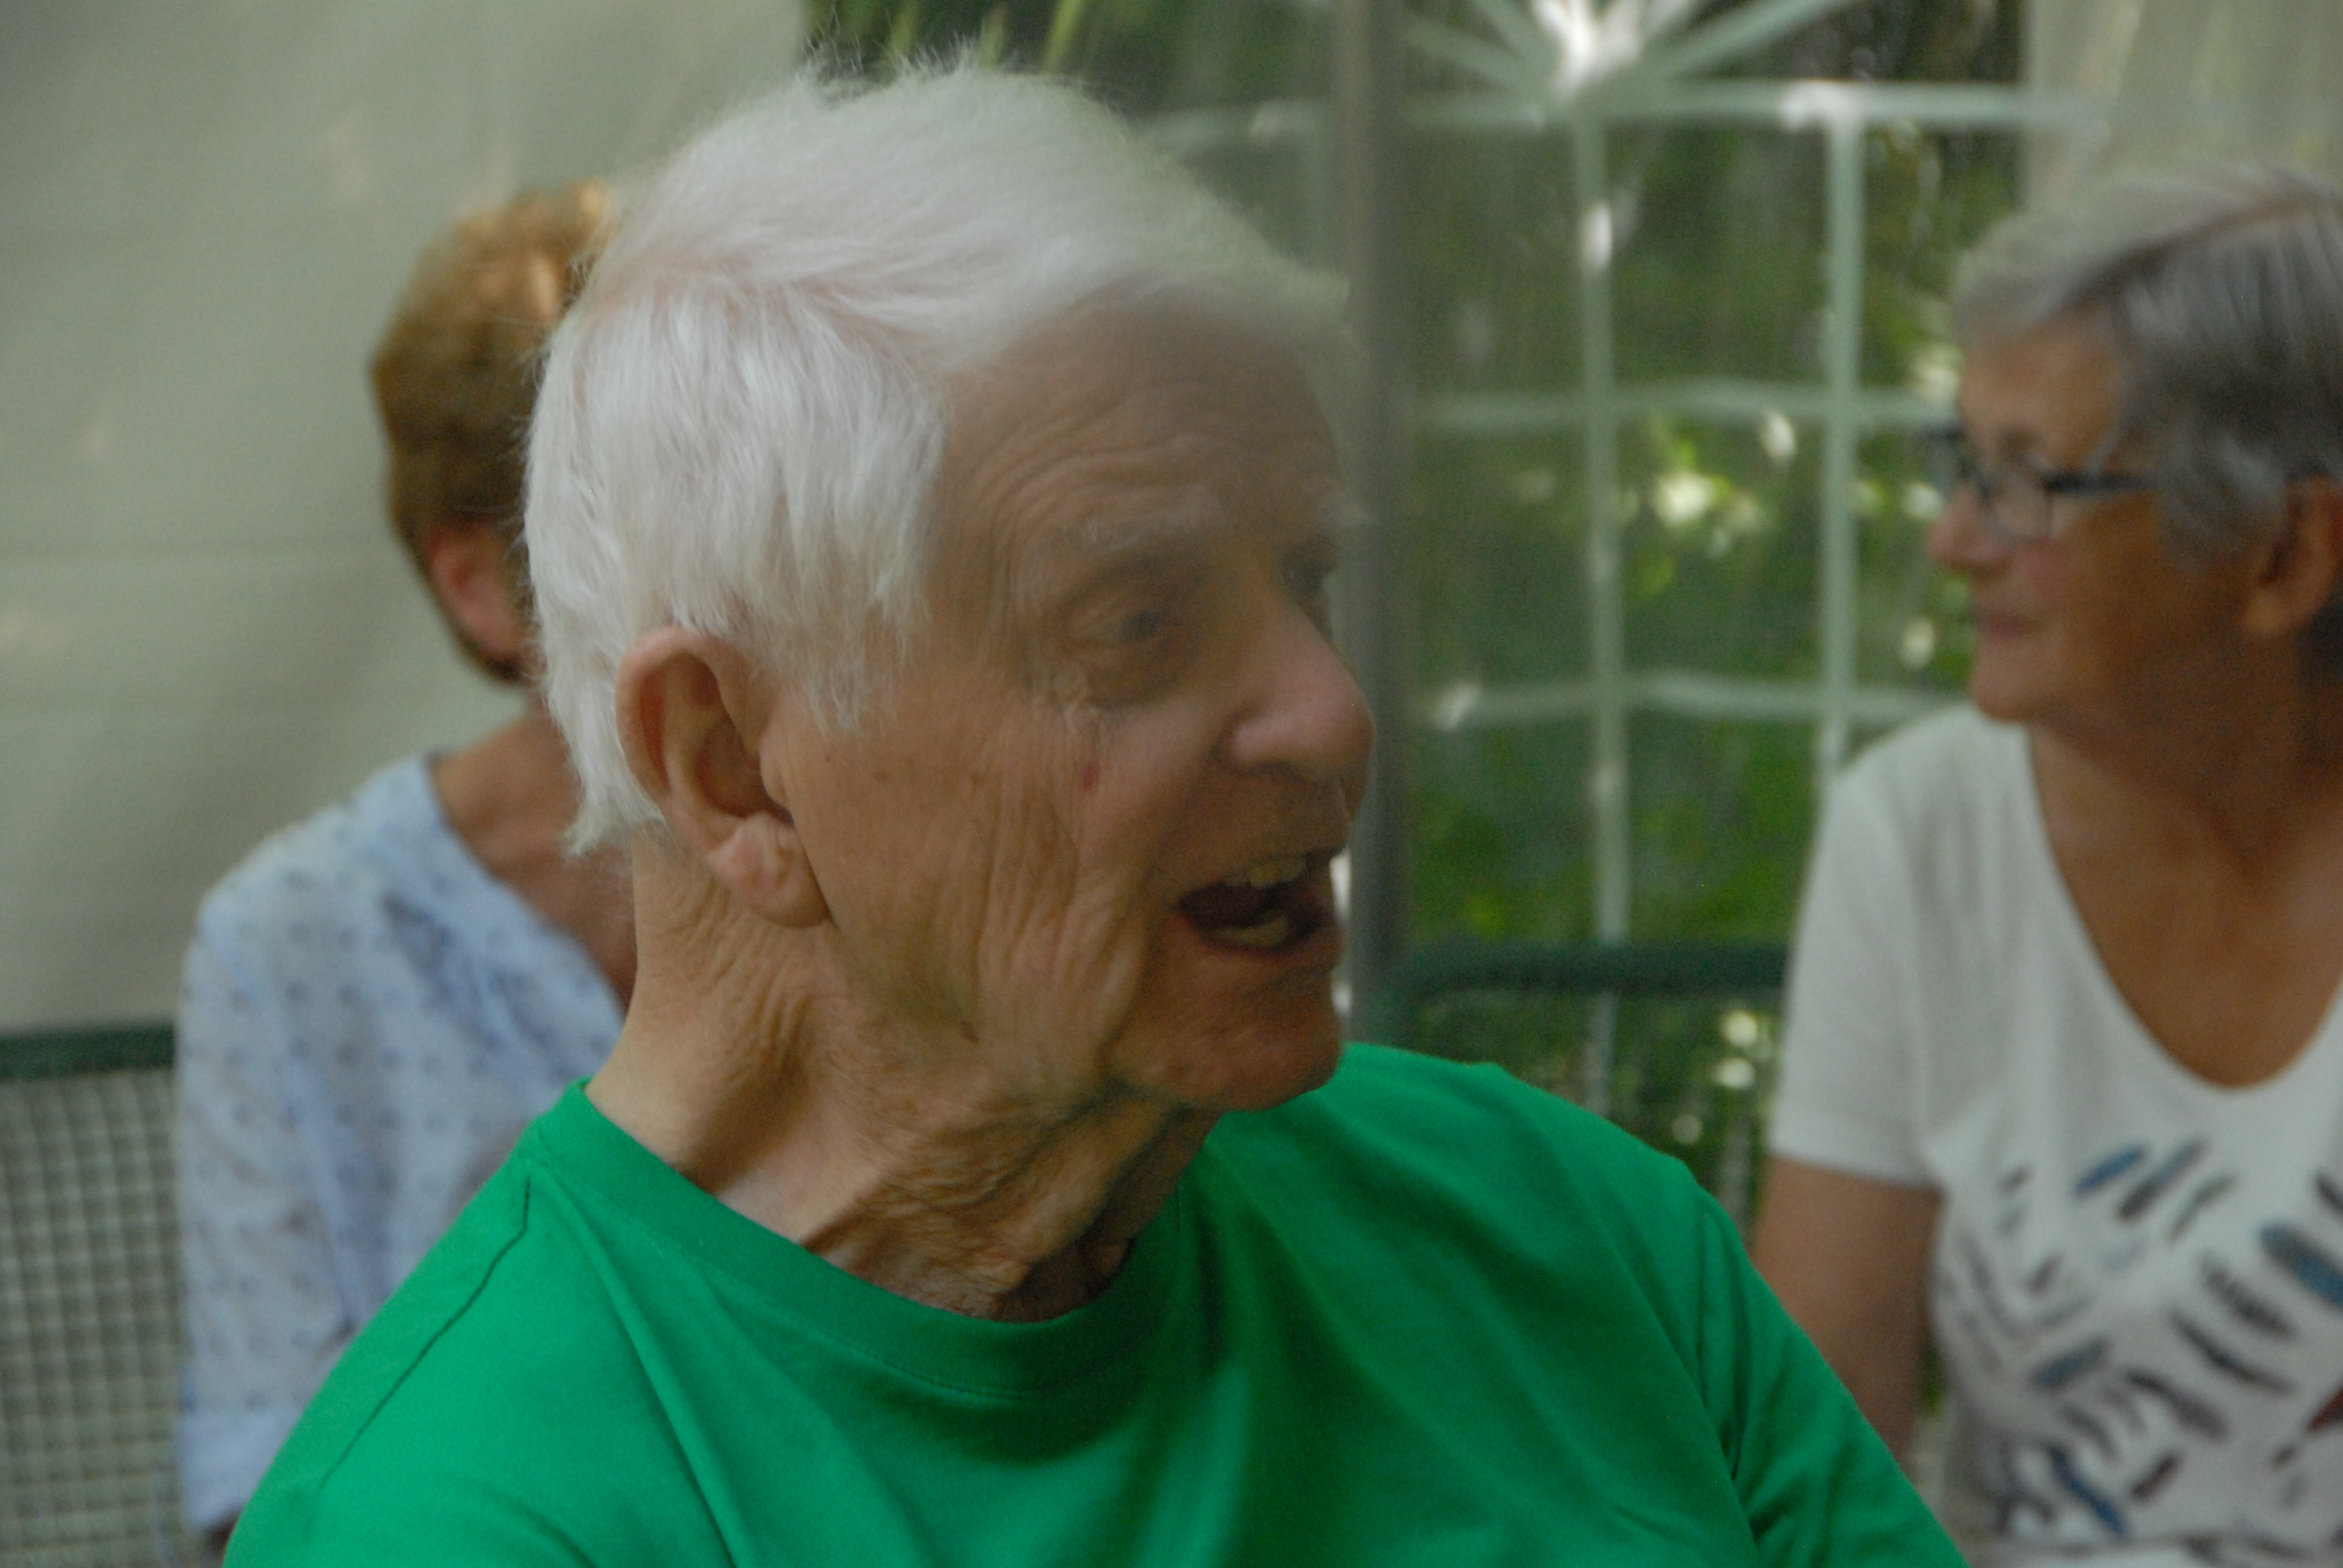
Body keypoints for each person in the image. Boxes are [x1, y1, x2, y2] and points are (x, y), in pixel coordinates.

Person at [224, 67, 1956, 1567]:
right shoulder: (475, 1516)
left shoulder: (1570, 1240)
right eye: (1134, 622)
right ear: (733, 767)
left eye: (1308, 580)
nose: (1331, 713)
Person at [1754, 165, 2343, 1563]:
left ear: (2283, 550)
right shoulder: (1918, 835)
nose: (1953, 539)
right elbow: (1812, 1450)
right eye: (1962, 461)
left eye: (2029, 483)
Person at [174, 185, 632, 1541]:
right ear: (479, 587)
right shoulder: (289, 940)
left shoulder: (850, 851)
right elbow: (261, 1492)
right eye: (627, 528)